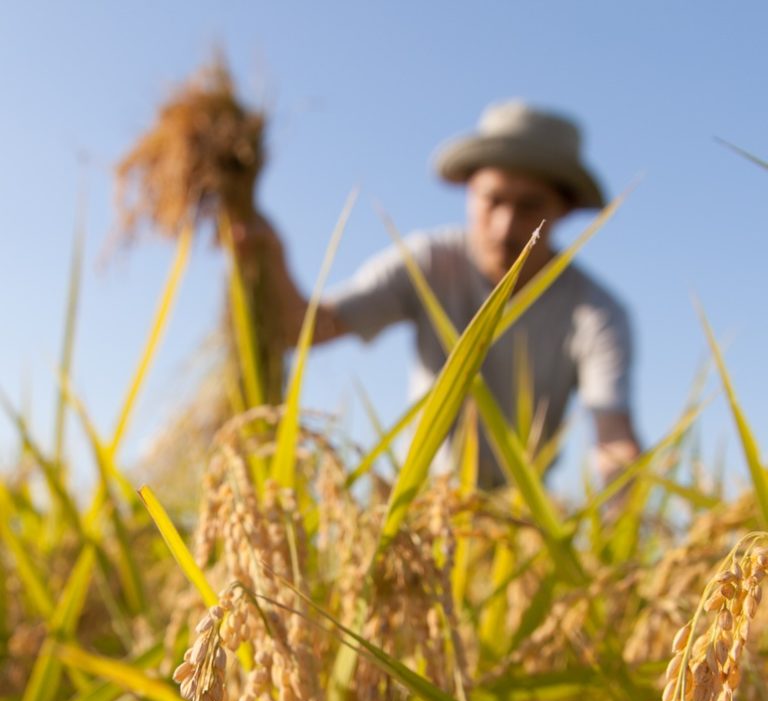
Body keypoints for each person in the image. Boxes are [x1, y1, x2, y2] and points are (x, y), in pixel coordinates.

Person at [236, 100, 640, 486]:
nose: (505, 226)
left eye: (530, 206)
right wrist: (268, 258)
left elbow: (612, 435)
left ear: (564, 209)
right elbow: (306, 329)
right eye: (493, 199)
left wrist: (623, 517)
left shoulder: (595, 313)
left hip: (521, 515)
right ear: (469, 191)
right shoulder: (428, 263)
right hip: (426, 495)